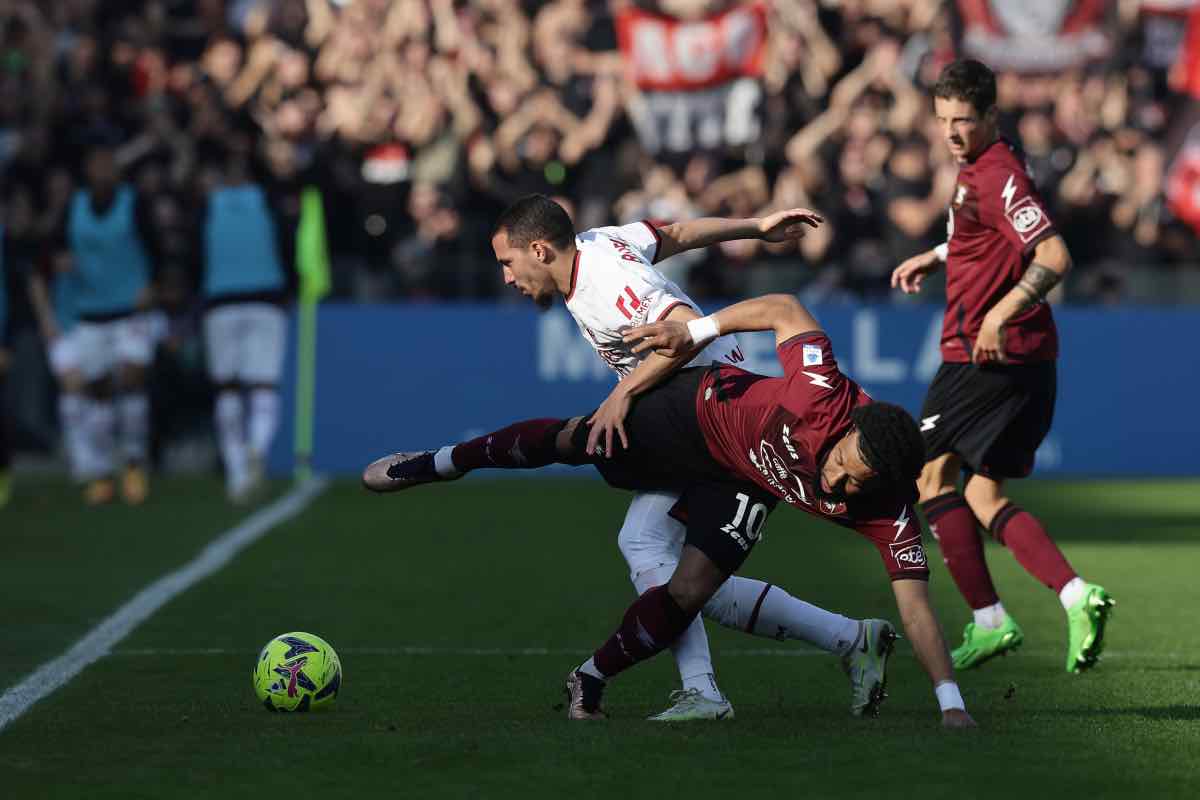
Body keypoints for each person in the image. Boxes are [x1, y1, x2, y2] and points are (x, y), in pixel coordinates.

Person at [369, 195, 896, 721]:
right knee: (652, 550)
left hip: (728, 430)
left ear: (538, 249)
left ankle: (711, 685)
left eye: (508, 263)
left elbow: (685, 327)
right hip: (694, 421)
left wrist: (624, 393)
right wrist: (754, 226)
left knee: (659, 546)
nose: (507, 278)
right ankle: (837, 643)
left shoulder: (607, 283)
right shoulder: (600, 242)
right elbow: (679, 235)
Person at [889, 59, 1114, 673]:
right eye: (943, 120)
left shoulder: (998, 171)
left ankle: (990, 620)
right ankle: (1077, 595)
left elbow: (1054, 255)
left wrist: (999, 313)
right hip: (1030, 360)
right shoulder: (990, 163)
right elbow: (989, 232)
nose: (952, 132)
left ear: (990, 116)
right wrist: (940, 254)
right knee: (984, 493)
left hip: (981, 354)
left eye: (963, 120)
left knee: (929, 482)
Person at [62, 144, 160, 505]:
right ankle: (103, 473)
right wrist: (58, 262)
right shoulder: (73, 208)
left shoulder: (134, 204)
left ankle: (134, 463)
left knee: (133, 381)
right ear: (87, 168)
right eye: (96, 162)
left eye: (108, 162)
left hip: (130, 311)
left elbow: (158, 247)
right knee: (98, 393)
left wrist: (155, 284)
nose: (103, 169)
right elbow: (53, 248)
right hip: (90, 313)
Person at [199, 144, 293, 502]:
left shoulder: (208, 205)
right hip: (264, 299)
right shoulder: (269, 200)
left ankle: (238, 471)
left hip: (222, 302)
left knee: (228, 388)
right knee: (263, 387)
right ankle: (256, 453)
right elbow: (287, 242)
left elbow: (193, 251)